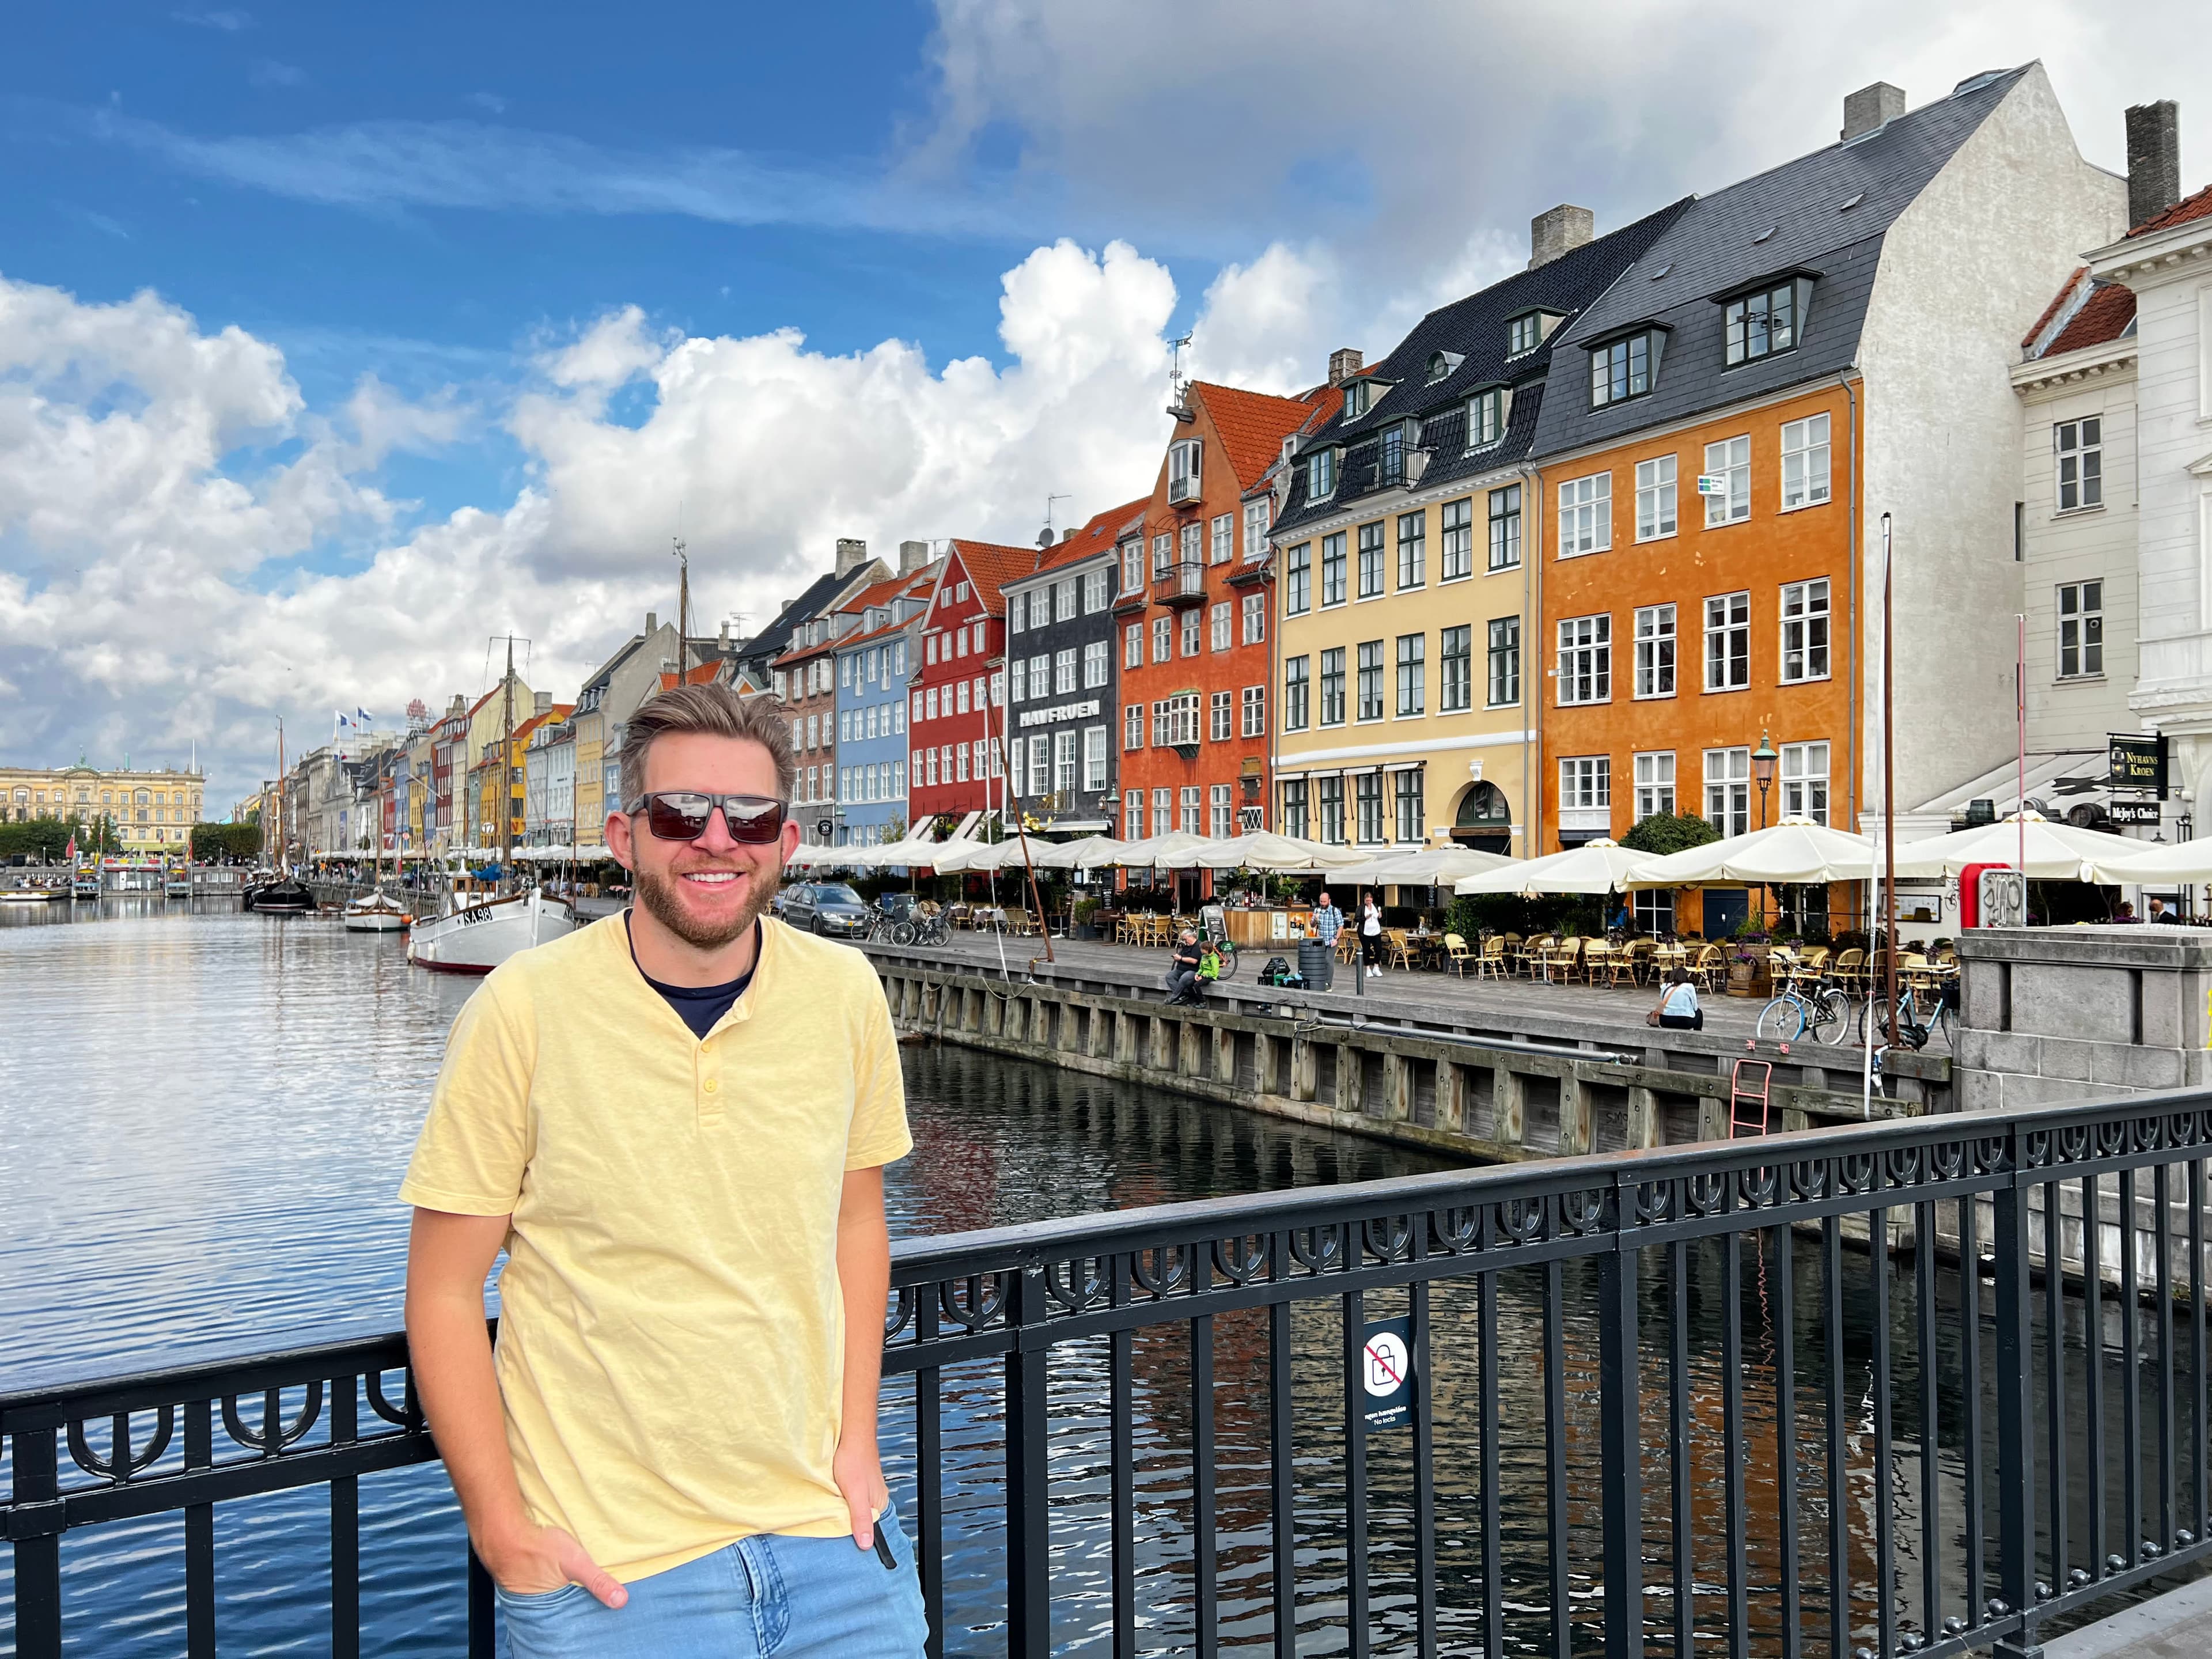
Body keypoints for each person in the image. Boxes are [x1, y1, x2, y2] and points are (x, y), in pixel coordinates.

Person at [400, 684, 925, 1658]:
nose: (717, 840)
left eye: (751, 816)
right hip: (617, 1578)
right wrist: (502, 1532)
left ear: (787, 841)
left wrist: (859, 1444)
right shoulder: (524, 1010)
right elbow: (440, 1288)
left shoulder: (846, 995)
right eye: (682, 812)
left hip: (833, 1543)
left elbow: (857, 1226)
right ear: (626, 835)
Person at [1652, 966, 1703, 1031]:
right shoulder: (1689, 987)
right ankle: (1697, 1034)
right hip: (1685, 1022)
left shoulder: (1665, 986)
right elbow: (1695, 1007)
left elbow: (1663, 1003)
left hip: (1665, 1021)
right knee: (1699, 1013)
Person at [1165, 927, 1206, 1005]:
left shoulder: (1198, 946)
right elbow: (1181, 955)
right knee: (1169, 976)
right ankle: (1183, 995)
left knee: (1184, 978)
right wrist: (1177, 957)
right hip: (1181, 969)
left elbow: (1194, 961)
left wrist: (1181, 959)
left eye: (1185, 939)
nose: (1185, 941)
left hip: (1193, 970)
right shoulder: (1186, 946)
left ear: (1190, 937)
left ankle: (1173, 998)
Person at [1359, 892, 1384, 978]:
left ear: (1372, 900)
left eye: (1370, 900)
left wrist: (1380, 916)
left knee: (1379, 949)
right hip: (1366, 932)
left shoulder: (1375, 906)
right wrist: (1365, 918)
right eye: (1367, 901)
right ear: (1364, 900)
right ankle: (1368, 969)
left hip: (1376, 931)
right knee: (1366, 951)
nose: (1369, 902)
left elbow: (1378, 917)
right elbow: (1357, 918)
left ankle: (1376, 967)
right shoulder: (1361, 908)